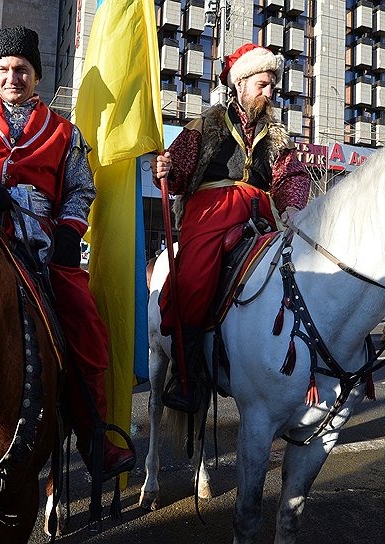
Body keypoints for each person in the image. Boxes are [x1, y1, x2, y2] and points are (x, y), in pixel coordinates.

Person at [0, 26, 133, 478]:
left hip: (40, 243)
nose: (13, 77)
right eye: (5, 69)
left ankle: (93, 438)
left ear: (37, 75)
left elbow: (81, 190)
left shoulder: (66, 133)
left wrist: (70, 234)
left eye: (22, 69)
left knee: (87, 326)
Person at [151, 43, 311, 412]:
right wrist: (167, 170)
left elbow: (291, 175)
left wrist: (291, 206)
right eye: (263, 84)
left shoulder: (277, 135)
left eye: (273, 85)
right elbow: (178, 170)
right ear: (239, 83)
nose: (270, 92)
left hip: (261, 215)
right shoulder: (205, 124)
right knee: (192, 279)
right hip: (211, 213)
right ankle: (186, 374)